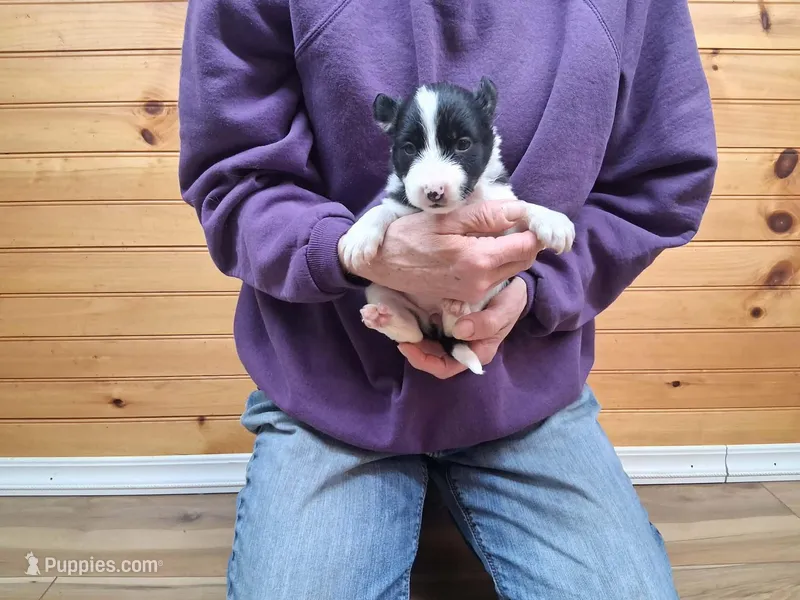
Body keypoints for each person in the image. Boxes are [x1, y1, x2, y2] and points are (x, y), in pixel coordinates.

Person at [178, 0, 717, 597]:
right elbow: (233, 175)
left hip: (524, 392)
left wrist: (534, 290)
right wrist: (346, 251)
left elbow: (660, 185)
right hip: (327, 393)